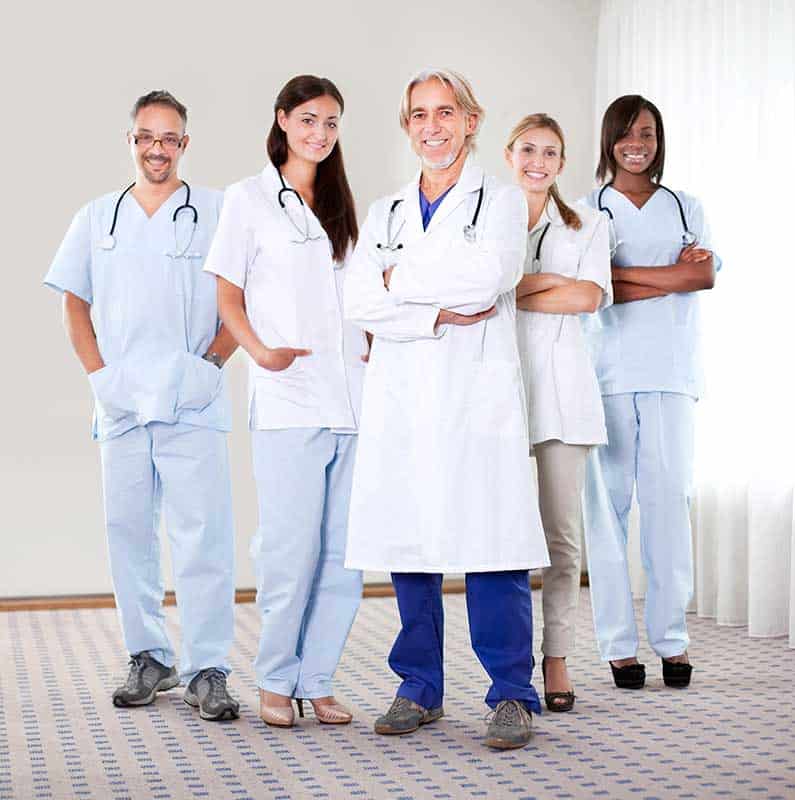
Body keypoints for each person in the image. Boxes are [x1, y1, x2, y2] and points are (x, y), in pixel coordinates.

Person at [344, 68, 549, 750]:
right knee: (412, 538)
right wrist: (431, 310)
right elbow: (357, 299)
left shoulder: (501, 199)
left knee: (493, 542)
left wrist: (397, 281)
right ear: (407, 126)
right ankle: (419, 687)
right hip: (405, 394)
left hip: (475, 393)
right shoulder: (386, 212)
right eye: (419, 115)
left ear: (470, 119)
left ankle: (512, 693)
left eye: (445, 112)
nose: (432, 126)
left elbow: (489, 279)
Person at [43, 90, 239, 720]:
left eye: (170, 137)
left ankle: (208, 667)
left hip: (191, 398)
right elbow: (74, 302)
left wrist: (210, 366)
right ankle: (149, 657)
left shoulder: (215, 211)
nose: (158, 148)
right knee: (128, 531)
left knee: (203, 534)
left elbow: (244, 297)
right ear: (129, 140)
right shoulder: (96, 216)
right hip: (123, 401)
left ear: (185, 144)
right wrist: (100, 377)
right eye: (146, 136)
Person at [205, 75, 365, 729]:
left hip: (351, 399)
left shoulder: (343, 203)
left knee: (343, 555)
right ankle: (275, 679)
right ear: (281, 120)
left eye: (330, 122)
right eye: (308, 120)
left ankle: (317, 679)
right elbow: (227, 293)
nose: (319, 134)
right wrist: (259, 352)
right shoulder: (248, 199)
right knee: (288, 548)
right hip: (288, 398)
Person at [582, 94, 720, 690]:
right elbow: (590, 289)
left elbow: (704, 275)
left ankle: (672, 641)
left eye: (648, 132)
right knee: (606, 517)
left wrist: (624, 275)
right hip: (606, 378)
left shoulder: (685, 206)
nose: (637, 143)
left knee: (668, 510)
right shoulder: (587, 211)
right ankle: (618, 646)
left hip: (670, 377)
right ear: (609, 139)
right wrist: (669, 277)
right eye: (627, 133)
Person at [505, 114, 611, 712]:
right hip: (501, 397)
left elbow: (590, 296)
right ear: (508, 153)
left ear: (563, 162)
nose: (537, 162)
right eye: (527, 150)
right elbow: (480, 290)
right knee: (506, 536)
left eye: (549, 153)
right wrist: (548, 281)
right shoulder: (488, 220)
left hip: (566, 400)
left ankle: (557, 655)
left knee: (563, 540)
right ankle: (510, 664)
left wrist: (521, 285)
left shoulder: (588, 225)